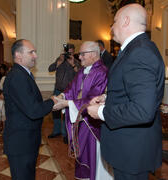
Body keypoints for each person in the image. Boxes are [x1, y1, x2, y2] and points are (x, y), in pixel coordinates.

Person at [87, 4, 165, 180]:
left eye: (114, 22)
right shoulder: (135, 49)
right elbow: (131, 89)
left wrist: (100, 112)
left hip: (132, 150)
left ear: (126, 21)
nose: (112, 27)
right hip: (129, 147)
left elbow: (142, 110)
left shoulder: (140, 53)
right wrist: (107, 97)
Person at [53, 41, 113, 180]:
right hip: (80, 120)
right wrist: (62, 96)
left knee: (91, 155)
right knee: (82, 153)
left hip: (91, 123)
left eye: (82, 54)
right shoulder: (83, 70)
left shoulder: (102, 72)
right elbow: (72, 88)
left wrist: (67, 103)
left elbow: (93, 98)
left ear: (93, 54)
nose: (79, 57)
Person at [3, 39, 57, 180]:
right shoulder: (17, 76)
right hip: (21, 143)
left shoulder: (23, 74)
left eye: (35, 52)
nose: (35, 56)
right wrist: (52, 101)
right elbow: (33, 110)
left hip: (26, 140)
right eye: (31, 52)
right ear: (18, 55)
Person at [48, 43, 80, 143]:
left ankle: (67, 134)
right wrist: (59, 62)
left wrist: (73, 64)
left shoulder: (76, 61)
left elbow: (80, 74)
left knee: (67, 114)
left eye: (71, 51)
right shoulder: (60, 59)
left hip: (69, 92)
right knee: (55, 112)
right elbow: (50, 69)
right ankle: (56, 131)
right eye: (67, 51)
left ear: (73, 51)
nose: (68, 54)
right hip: (58, 89)